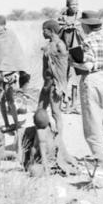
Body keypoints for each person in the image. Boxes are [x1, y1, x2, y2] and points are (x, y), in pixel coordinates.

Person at [68, 11, 103, 157]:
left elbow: (88, 66)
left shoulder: (88, 42)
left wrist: (73, 63)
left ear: (86, 25)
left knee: (92, 124)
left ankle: (100, 158)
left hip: (93, 80)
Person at [0, 15, 30, 132]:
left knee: (11, 101)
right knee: (1, 101)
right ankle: (7, 124)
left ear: (3, 27)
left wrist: (16, 72)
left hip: (10, 75)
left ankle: (16, 124)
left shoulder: (11, 37)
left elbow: (16, 54)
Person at [37, 20, 74, 164]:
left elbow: (63, 66)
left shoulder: (60, 45)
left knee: (55, 113)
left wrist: (61, 86)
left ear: (50, 30)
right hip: (46, 84)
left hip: (55, 85)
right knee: (39, 111)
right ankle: (42, 141)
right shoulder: (49, 45)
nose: (42, 33)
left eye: (43, 30)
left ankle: (59, 142)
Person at [22, 108, 78, 176]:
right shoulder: (52, 129)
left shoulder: (40, 134)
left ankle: (48, 171)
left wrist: (31, 162)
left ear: (34, 122)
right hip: (55, 160)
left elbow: (40, 154)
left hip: (48, 164)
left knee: (33, 169)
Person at [57, 0, 84, 114]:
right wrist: (66, 26)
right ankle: (65, 102)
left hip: (76, 49)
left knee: (76, 77)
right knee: (64, 76)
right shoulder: (61, 17)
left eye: (77, 4)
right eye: (73, 5)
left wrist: (74, 26)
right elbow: (58, 30)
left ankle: (74, 104)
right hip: (64, 50)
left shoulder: (80, 16)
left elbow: (82, 31)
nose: (75, 7)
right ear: (67, 6)